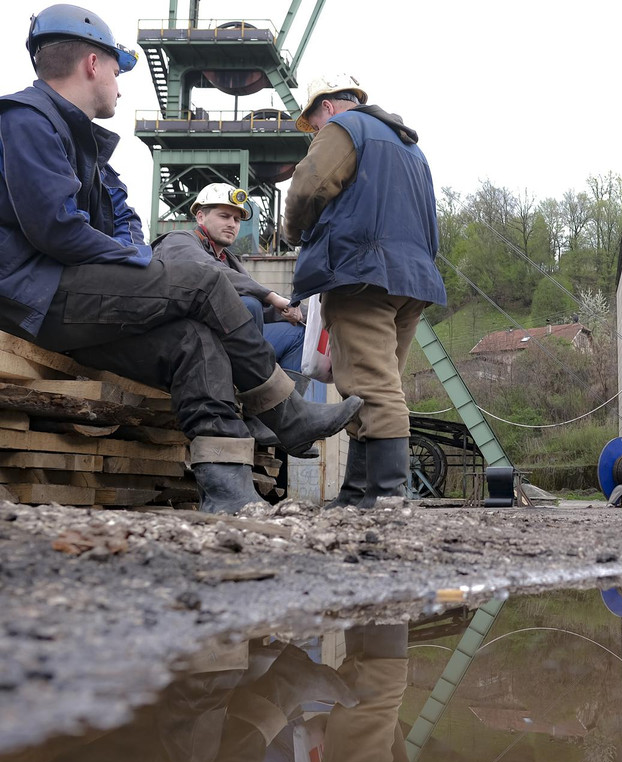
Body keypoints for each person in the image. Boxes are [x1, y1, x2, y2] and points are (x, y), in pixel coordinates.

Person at [0, 5, 361, 514]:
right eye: (118, 70)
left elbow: (125, 219)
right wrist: (138, 263)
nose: (121, 85)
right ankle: (288, 412)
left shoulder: (89, 147)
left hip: (74, 294)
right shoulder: (26, 121)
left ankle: (228, 488)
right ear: (92, 64)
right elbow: (55, 229)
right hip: (36, 294)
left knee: (196, 342)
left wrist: (130, 255)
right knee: (203, 283)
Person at [284, 75, 446, 509]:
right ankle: (356, 492)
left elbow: (308, 186)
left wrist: (293, 231)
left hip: (363, 274)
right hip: (412, 279)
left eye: (313, 123)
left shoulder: (344, 129)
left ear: (329, 108)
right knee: (368, 383)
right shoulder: (411, 146)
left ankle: (386, 495)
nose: (315, 133)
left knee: (372, 388)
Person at [152, 182, 305, 372]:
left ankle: (282, 400)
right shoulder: (178, 241)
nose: (232, 224)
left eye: (237, 219)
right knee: (248, 305)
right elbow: (210, 271)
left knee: (298, 333)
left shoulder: (230, 262)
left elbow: (266, 309)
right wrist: (271, 296)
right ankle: (252, 388)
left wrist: (305, 313)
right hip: (184, 340)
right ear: (200, 216)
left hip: (224, 341)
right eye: (224, 216)